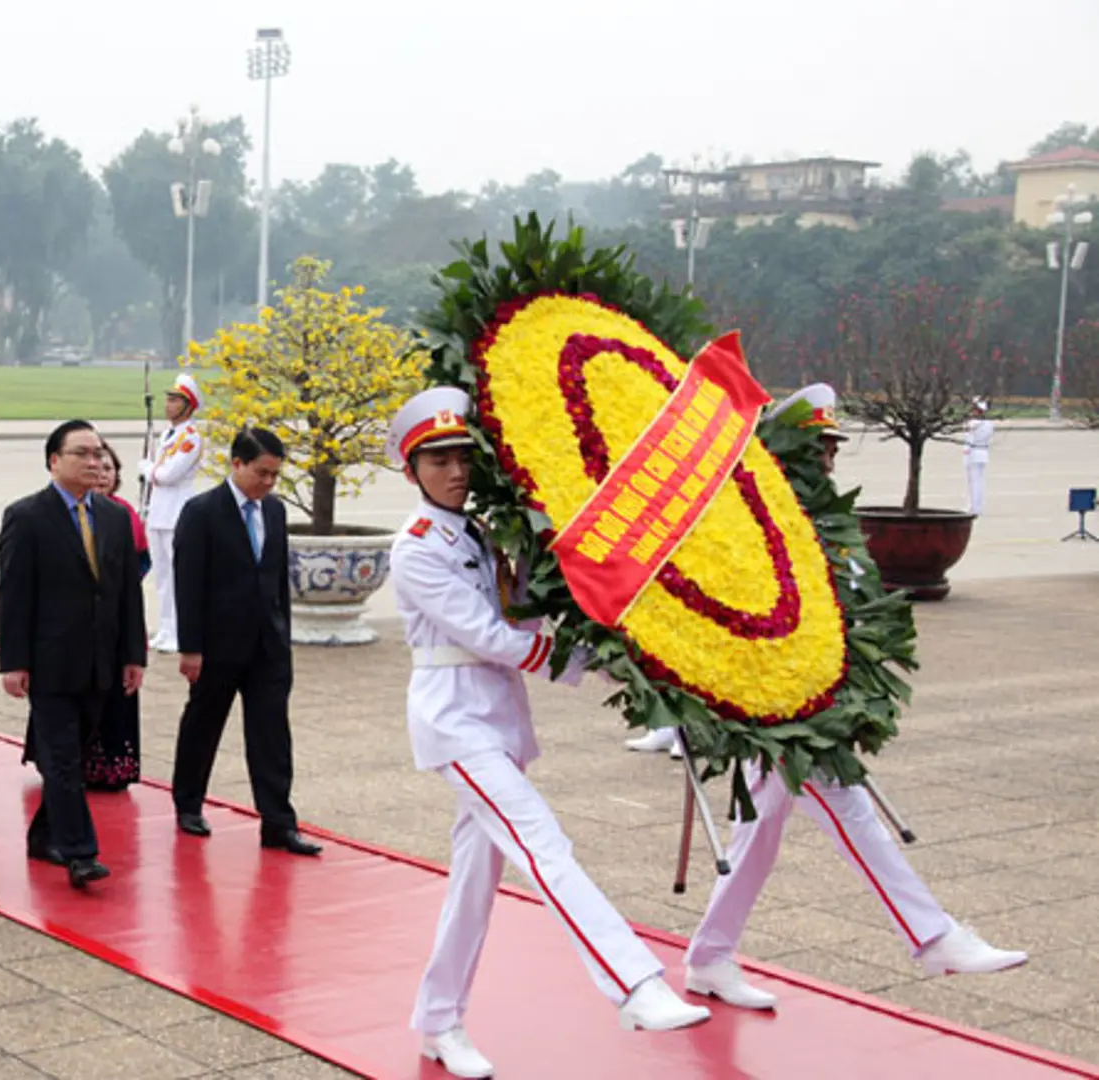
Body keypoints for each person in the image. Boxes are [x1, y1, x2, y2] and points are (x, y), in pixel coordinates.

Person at [390, 388, 708, 1078]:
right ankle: (633, 984)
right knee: (543, 843)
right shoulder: (415, 548)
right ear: (411, 470)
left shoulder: (481, 532)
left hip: (497, 718)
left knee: (474, 883)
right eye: (437, 460)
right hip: (455, 722)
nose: (454, 471)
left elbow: (526, 615)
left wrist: (612, 647)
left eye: (461, 458)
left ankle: (440, 1022)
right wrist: (585, 667)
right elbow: (485, 635)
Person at [682, 384, 1026, 1013]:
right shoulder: (752, 519)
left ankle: (709, 955)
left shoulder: (823, 521)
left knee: (757, 839)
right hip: (774, 708)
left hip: (810, 701)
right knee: (848, 809)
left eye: (832, 449)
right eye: (814, 449)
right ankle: (931, 936)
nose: (827, 462)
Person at [0, 420, 146, 890]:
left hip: (101, 661)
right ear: (54, 460)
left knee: (73, 758)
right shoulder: (27, 516)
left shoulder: (115, 517)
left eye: (98, 453)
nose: (94, 462)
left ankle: (44, 835)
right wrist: (13, 661)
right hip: (50, 662)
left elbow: (126, 595)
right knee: (60, 760)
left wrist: (133, 655)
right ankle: (81, 853)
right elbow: (15, 595)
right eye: (81, 453)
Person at [169, 427, 319, 855]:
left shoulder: (274, 512)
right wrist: (191, 647)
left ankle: (277, 823)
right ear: (237, 464)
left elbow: (276, 582)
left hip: (268, 647)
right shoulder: (201, 512)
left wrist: (284, 637)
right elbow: (189, 584)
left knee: (272, 734)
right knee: (204, 723)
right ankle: (188, 803)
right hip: (217, 646)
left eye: (275, 475)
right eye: (262, 473)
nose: (269, 483)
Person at [83, 440, 146, 791]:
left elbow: (140, 561)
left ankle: (114, 767)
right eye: (97, 466)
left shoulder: (123, 514)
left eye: (109, 468)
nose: (102, 474)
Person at [138, 373, 203, 653]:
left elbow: (168, 475)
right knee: (162, 577)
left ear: (188, 406)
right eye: (169, 399)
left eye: (175, 400)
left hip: (177, 512)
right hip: (159, 512)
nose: (168, 404)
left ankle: (180, 631)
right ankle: (165, 629)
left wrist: (146, 468)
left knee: (179, 577)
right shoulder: (168, 434)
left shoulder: (190, 438)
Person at [964, 397, 994, 516]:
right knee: (979, 482)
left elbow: (969, 440)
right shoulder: (989, 424)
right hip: (983, 452)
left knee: (973, 482)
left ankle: (973, 507)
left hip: (973, 453)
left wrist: (966, 453)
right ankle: (978, 506)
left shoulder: (973, 424)